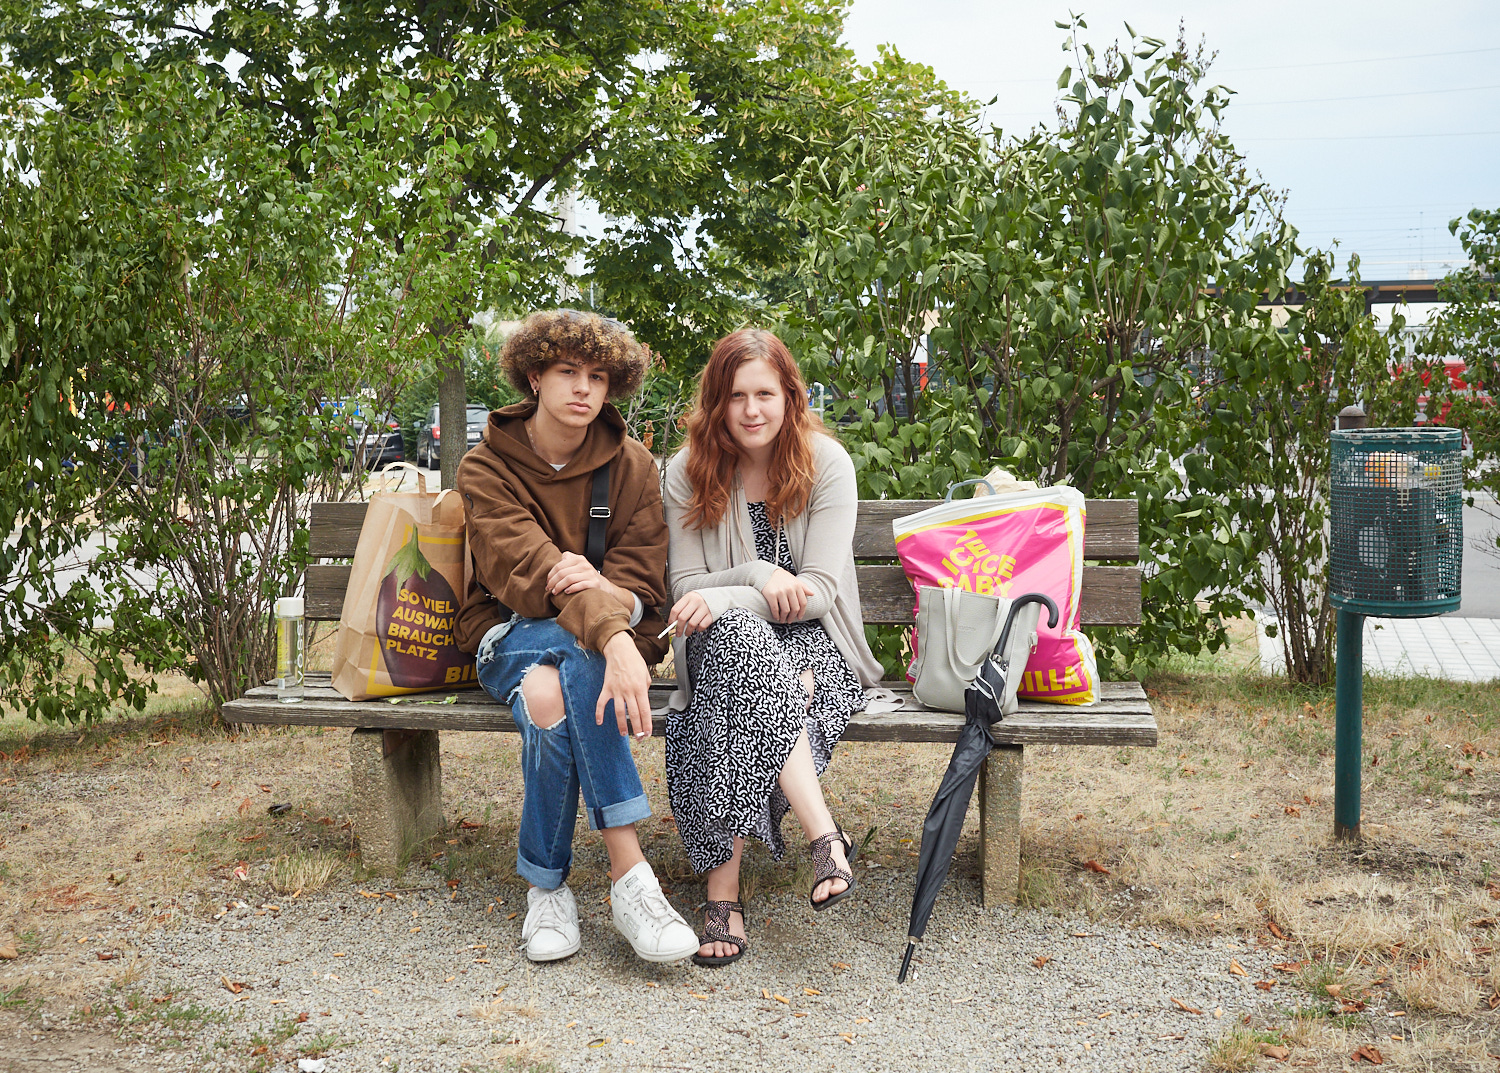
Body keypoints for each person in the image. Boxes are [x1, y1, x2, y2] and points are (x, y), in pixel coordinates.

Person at [455, 309, 697, 965]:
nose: (584, 388)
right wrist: (615, 636)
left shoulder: (633, 466)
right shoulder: (485, 467)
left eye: (596, 375)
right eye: (567, 371)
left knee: (548, 699)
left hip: (589, 643)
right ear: (534, 376)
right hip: (509, 632)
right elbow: (526, 572)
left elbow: (644, 583)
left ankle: (547, 888)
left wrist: (604, 602)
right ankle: (629, 872)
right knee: (579, 655)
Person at [662, 328, 887, 967]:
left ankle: (722, 894)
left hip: (817, 647)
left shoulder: (824, 464)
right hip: (712, 639)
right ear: (716, 402)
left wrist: (730, 594)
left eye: (765, 393)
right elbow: (683, 588)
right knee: (739, 647)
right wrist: (759, 577)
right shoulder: (687, 471)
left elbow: (817, 594)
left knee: (732, 694)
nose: (751, 410)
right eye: (736, 396)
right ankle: (824, 834)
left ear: (791, 397)